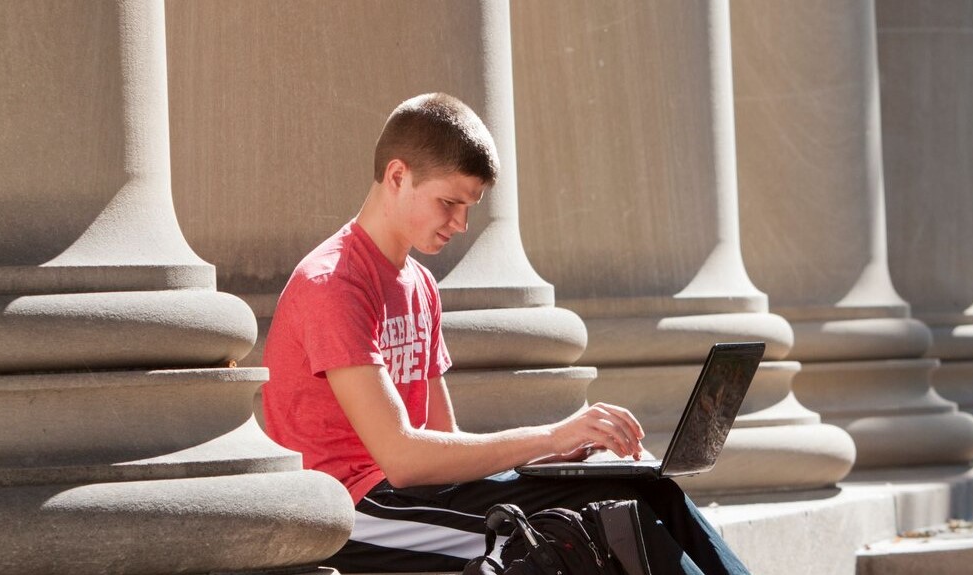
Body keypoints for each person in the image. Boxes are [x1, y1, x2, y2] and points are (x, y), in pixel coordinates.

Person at [262, 92, 750, 574]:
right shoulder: (334, 282)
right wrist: (551, 435)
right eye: (449, 202)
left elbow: (441, 442)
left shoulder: (420, 285)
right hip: (353, 514)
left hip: (411, 496)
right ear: (397, 176)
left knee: (644, 490)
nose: (462, 223)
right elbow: (404, 458)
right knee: (580, 531)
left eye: (470, 206)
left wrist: (564, 454)